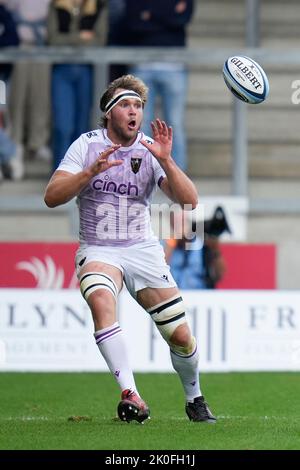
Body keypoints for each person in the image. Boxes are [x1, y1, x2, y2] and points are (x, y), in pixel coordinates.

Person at [44, 74, 216, 424]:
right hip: (98, 249)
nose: (133, 111)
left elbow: (190, 202)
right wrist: (88, 173)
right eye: (125, 104)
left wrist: (167, 160)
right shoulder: (85, 146)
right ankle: (130, 394)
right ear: (109, 113)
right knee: (101, 301)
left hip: (142, 248)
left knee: (180, 336)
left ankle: (194, 397)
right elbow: (51, 196)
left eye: (138, 105)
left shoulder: (151, 150)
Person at [125, 0, 194, 171]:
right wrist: (168, 12)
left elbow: (182, 20)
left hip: (174, 66)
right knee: (139, 123)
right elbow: (133, 23)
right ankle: (140, 174)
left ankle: (177, 177)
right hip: (142, 66)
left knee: (174, 123)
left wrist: (150, 13)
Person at [47, 0, 107, 170]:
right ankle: (60, 175)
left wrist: (68, 40)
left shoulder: (99, 5)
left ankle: (78, 174)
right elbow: (52, 39)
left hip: (86, 71)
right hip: (61, 70)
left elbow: (99, 41)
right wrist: (81, 37)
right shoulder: (57, 5)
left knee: (81, 127)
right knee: (62, 127)